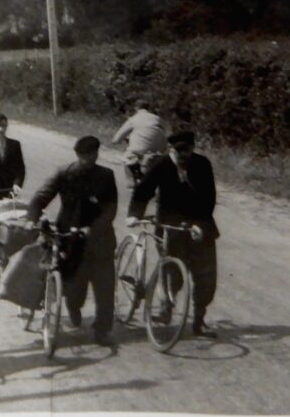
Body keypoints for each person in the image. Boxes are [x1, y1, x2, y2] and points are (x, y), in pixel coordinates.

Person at [25, 135, 118, 347]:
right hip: (71, 239)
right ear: (78, 155)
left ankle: (102, 330)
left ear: (96, 154)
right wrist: (32, 219)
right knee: (74, 290)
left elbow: (110, 209)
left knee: (105, 288)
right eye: (85, 156)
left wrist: (92, 229)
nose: (89, 160)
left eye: (93, 155)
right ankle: (74, 310)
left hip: (100, 239)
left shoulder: (106, 175)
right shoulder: (64, 174)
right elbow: (40, 198)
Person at [127, 129, 220, 337]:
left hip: (200, 225)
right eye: (178, 151)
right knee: (173, 273)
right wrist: (134, 214)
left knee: (205, 277)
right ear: (170, 149)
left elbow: (209, 198)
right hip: (170, 225)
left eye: (187, 150)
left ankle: (198, 321)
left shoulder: (202, 164)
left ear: (193, 149)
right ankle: (166, 307)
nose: (183, 155)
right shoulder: (160, 165)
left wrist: (199, 224)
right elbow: (143, 190)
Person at [111, 99, 169, 187]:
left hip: (139, 149)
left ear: (136, 108)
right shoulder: (158, 119)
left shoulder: (134, 119)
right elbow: (165, 132)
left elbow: (116, 139)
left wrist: (116, 141)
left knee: (127, 158)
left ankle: (131, 181)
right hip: (158, 149)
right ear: (149, 108)